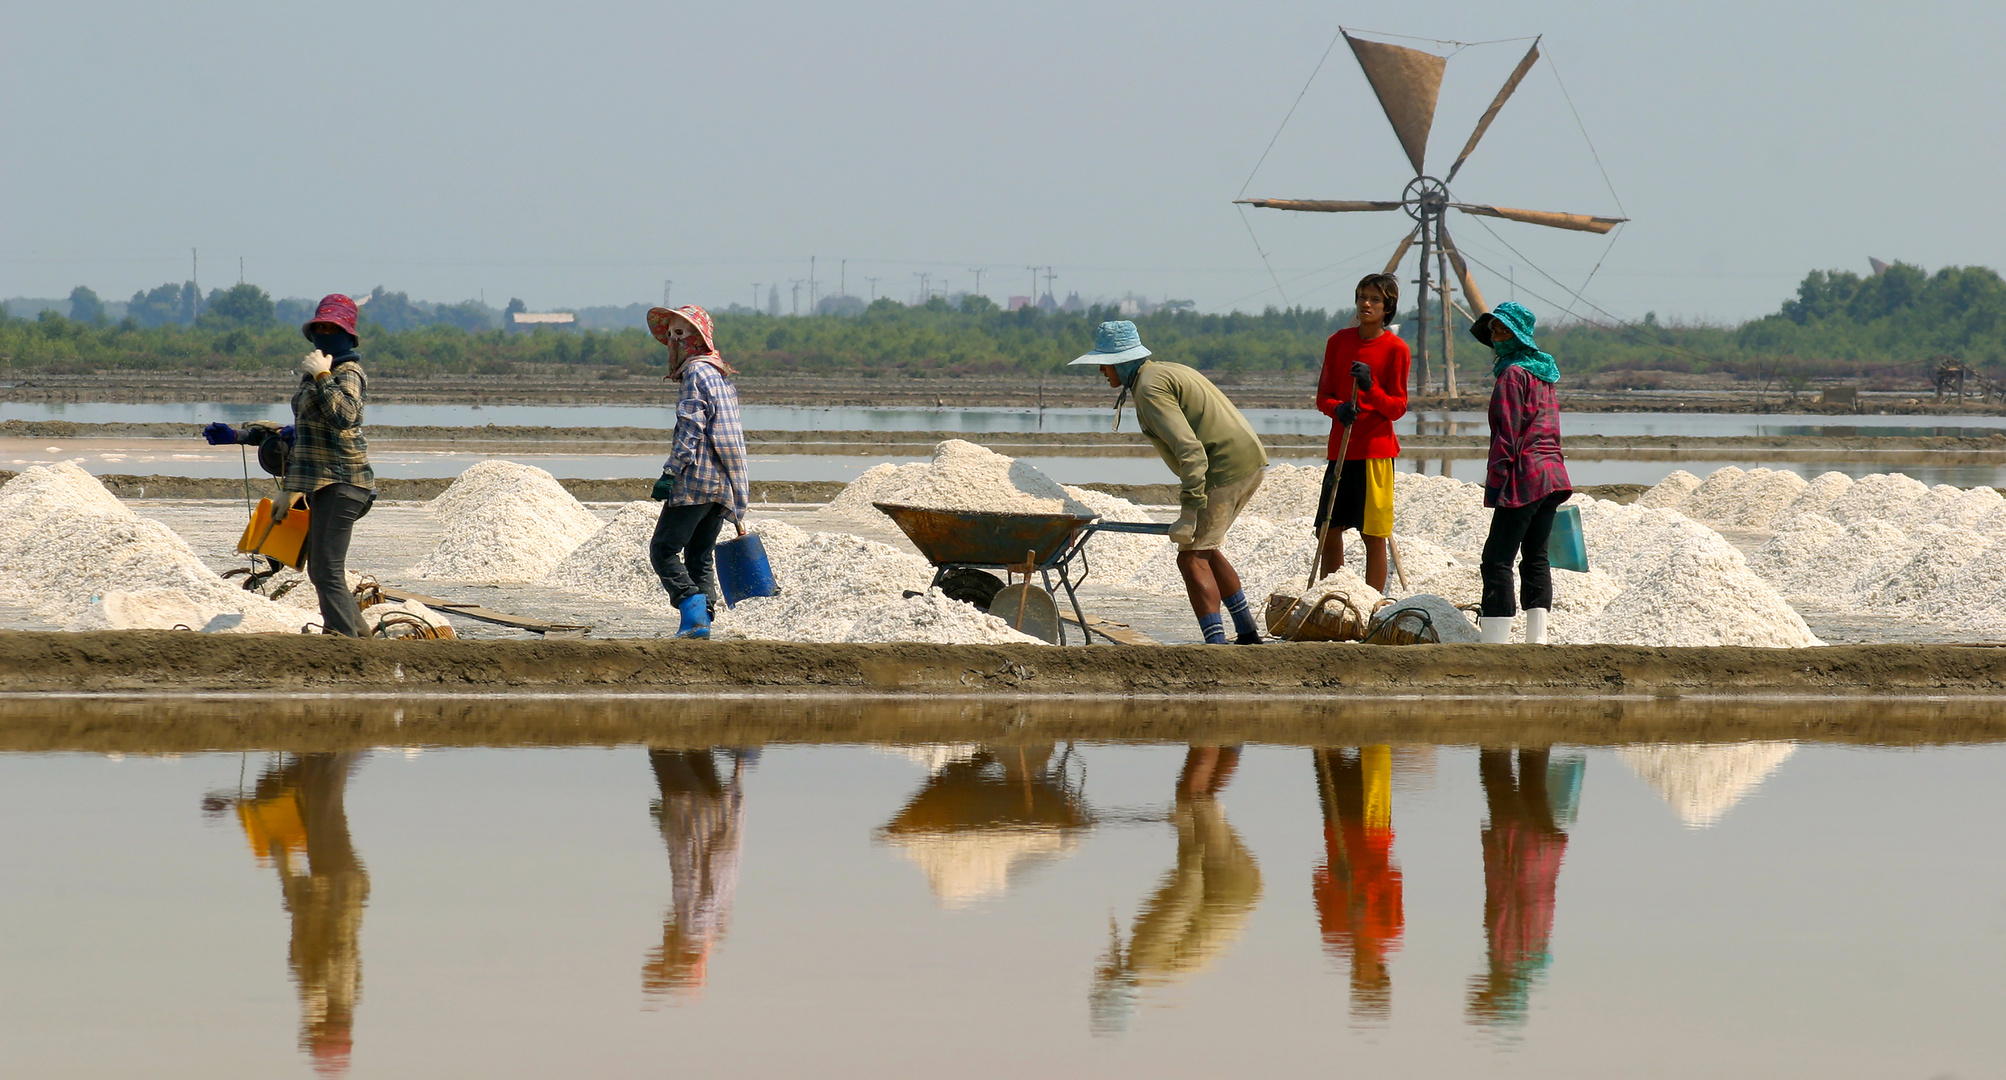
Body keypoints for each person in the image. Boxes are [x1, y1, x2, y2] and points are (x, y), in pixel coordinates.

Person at [1070, 321, 1269, 644]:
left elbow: (1190, 451)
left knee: (1190, 557)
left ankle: (1216, 646)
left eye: (1104, 364)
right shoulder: (1160, 372)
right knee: (1206, 548)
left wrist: (1190, 510)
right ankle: (1247, 634)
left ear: (1121, 362)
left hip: (1224, 467)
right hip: (1247, 460)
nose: (1101, 371)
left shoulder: (1149, 388)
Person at [202, 294, 376, 637]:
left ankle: (343, 643)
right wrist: (239, 435)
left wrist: (325, 376)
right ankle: (360, 642)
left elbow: (345, 416)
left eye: (332, 327)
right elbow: (297, 432)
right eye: (320, 327)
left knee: (326, 570)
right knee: (323, 571)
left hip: (345, 483)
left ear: (347, 334)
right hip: (319, 485)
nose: (325, 333)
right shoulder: (313, 376)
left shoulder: (347, 372)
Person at [1470, 302, 1572, 645]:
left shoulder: (1513, 374)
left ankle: (1495, 641)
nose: (1496, 337)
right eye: (1494, 331)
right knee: (1535, 557)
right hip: (1553, 474)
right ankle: (1536, 640)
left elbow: (1506, 435)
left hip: (1525, 475)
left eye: (1503, 331)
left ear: (1518, 336)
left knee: (1497, 558)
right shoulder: (1543, 372)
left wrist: (1496, 484)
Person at [646, 304, 749, 639]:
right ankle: (700, 623)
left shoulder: (695, 373)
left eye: (682, 334)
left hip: (696, 481)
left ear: (699, 338)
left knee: (663, 549)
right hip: (722, 483)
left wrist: (669, 473)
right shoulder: (718, 374)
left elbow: (691, 428)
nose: (675, 341)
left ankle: (691, 606)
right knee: (699, 556)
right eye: (672, 334)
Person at [1314, 273, 1410, 593]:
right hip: (1341, 449)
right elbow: (1322, 397)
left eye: (1375, 299)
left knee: (1374, 534)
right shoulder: (1338, 342)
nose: (1366, 304)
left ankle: (1370, 603)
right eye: (1362, 297)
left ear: (1388, 308)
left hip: (1376, 453)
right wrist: (1338, 408)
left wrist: (1371, 386)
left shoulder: (1396, 349)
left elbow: (1397, 407)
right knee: (1328, 529)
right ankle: (1334, 595)